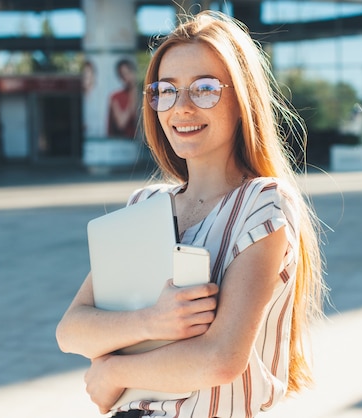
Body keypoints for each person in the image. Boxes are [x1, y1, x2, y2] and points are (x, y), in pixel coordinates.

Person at [56, 10, 326, 418]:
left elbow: (219, 359)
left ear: (242, 100)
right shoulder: (145, 205)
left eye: (204, 89)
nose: (180, 107)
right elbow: (71, 331)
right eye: (166, 90)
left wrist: (113, 371)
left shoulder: (263, 203)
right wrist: (153, 322)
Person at [107, 58, 138, 138]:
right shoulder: (115, 97)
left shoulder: (144, 94)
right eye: (123, 75)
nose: (127, 77)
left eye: (128, 72)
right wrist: (132, 97)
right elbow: (121, 124)